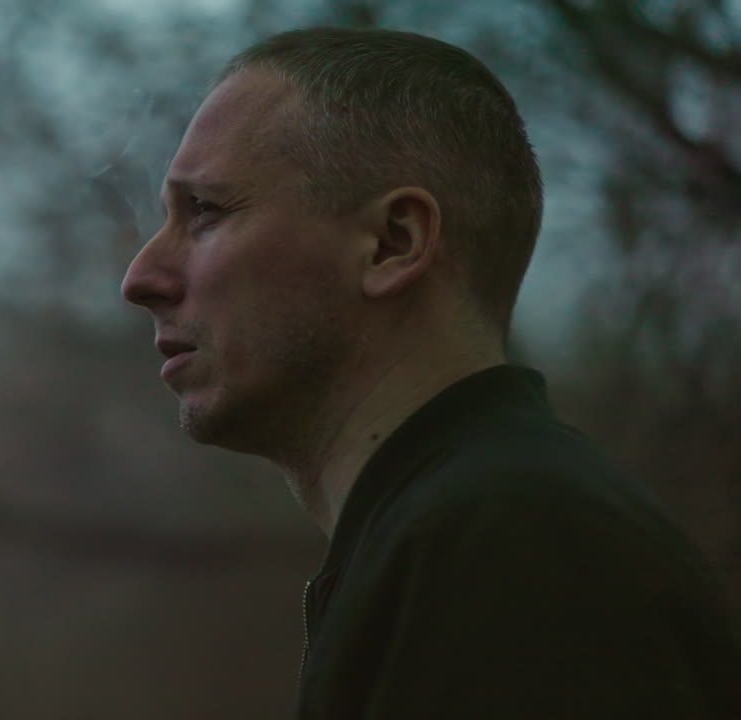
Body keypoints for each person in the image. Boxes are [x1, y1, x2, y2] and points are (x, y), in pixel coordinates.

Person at [119, 26, 741, 719]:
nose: (142, 277)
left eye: (205, 211)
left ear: (394, 243)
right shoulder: (456, 538)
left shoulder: (516, 547)